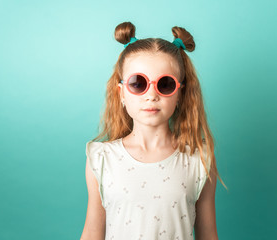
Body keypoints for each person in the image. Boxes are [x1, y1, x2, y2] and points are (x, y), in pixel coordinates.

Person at [80, 21, 227, 240]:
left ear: (179, 93)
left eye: (165, 84)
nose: (151, 95)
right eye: (138, 83)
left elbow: (208, 235)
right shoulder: (101, 159)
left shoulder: (200, 159)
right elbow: (92, 233)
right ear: (121, 93)